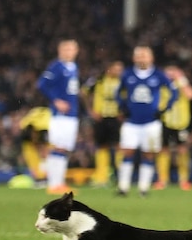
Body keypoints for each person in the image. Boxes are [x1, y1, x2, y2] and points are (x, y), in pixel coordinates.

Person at [115, 46, 178, 197]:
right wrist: (122, 107)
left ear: (151, 58)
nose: (142, 58)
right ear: (134, 58)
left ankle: (143, 188)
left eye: (145, 55)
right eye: (139, 55)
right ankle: (123, 187)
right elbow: (118, 92)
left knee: (148, 154)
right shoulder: (128, 74)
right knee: (127, 152)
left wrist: (164, 108)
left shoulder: (158, 74)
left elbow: (174, 92)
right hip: (131, 122)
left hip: (151, 123)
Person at [36, 39, 81, 195]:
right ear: (60, 50)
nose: (69, 52)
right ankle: (53, 184)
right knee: (58, 146)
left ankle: (59, 183)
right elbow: (41, 84)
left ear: (76, 51)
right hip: (60, 114)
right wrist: (56, 100)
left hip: (72, 114)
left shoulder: (74, 67)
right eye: (66, 49)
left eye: (72, 49)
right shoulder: (56, 66)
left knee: (64, 148)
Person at [154, 65, 192, 190]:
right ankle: (162, 180)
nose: (171, 74)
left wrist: (182, 78)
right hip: (164, 121)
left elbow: (191, 95)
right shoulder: (161, 84)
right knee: (163, 149)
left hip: (181, 123)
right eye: (169, 71)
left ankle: (183, 180)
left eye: (174, 71)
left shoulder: (181, 84)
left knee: (182, 150)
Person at [81, 60, 124, 187]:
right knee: (101, 146)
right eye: (116, 69)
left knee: (118, 146)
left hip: (116, 117)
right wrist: (90, 110)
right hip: (101, 117)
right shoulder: (97, 80)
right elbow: (83, 93)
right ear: (109, 69)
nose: (118, 72)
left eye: (120, 69)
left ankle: (120, 175)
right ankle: (101, 177)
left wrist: (124, 112)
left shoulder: (123, 81)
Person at [18, 104, 51, 182]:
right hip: (32, 145)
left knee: (45, 156)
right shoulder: (26, 132)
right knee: (33, 160)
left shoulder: (44, 130)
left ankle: (45, 178)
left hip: (45, 142)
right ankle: (39, 178)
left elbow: (45, 150)